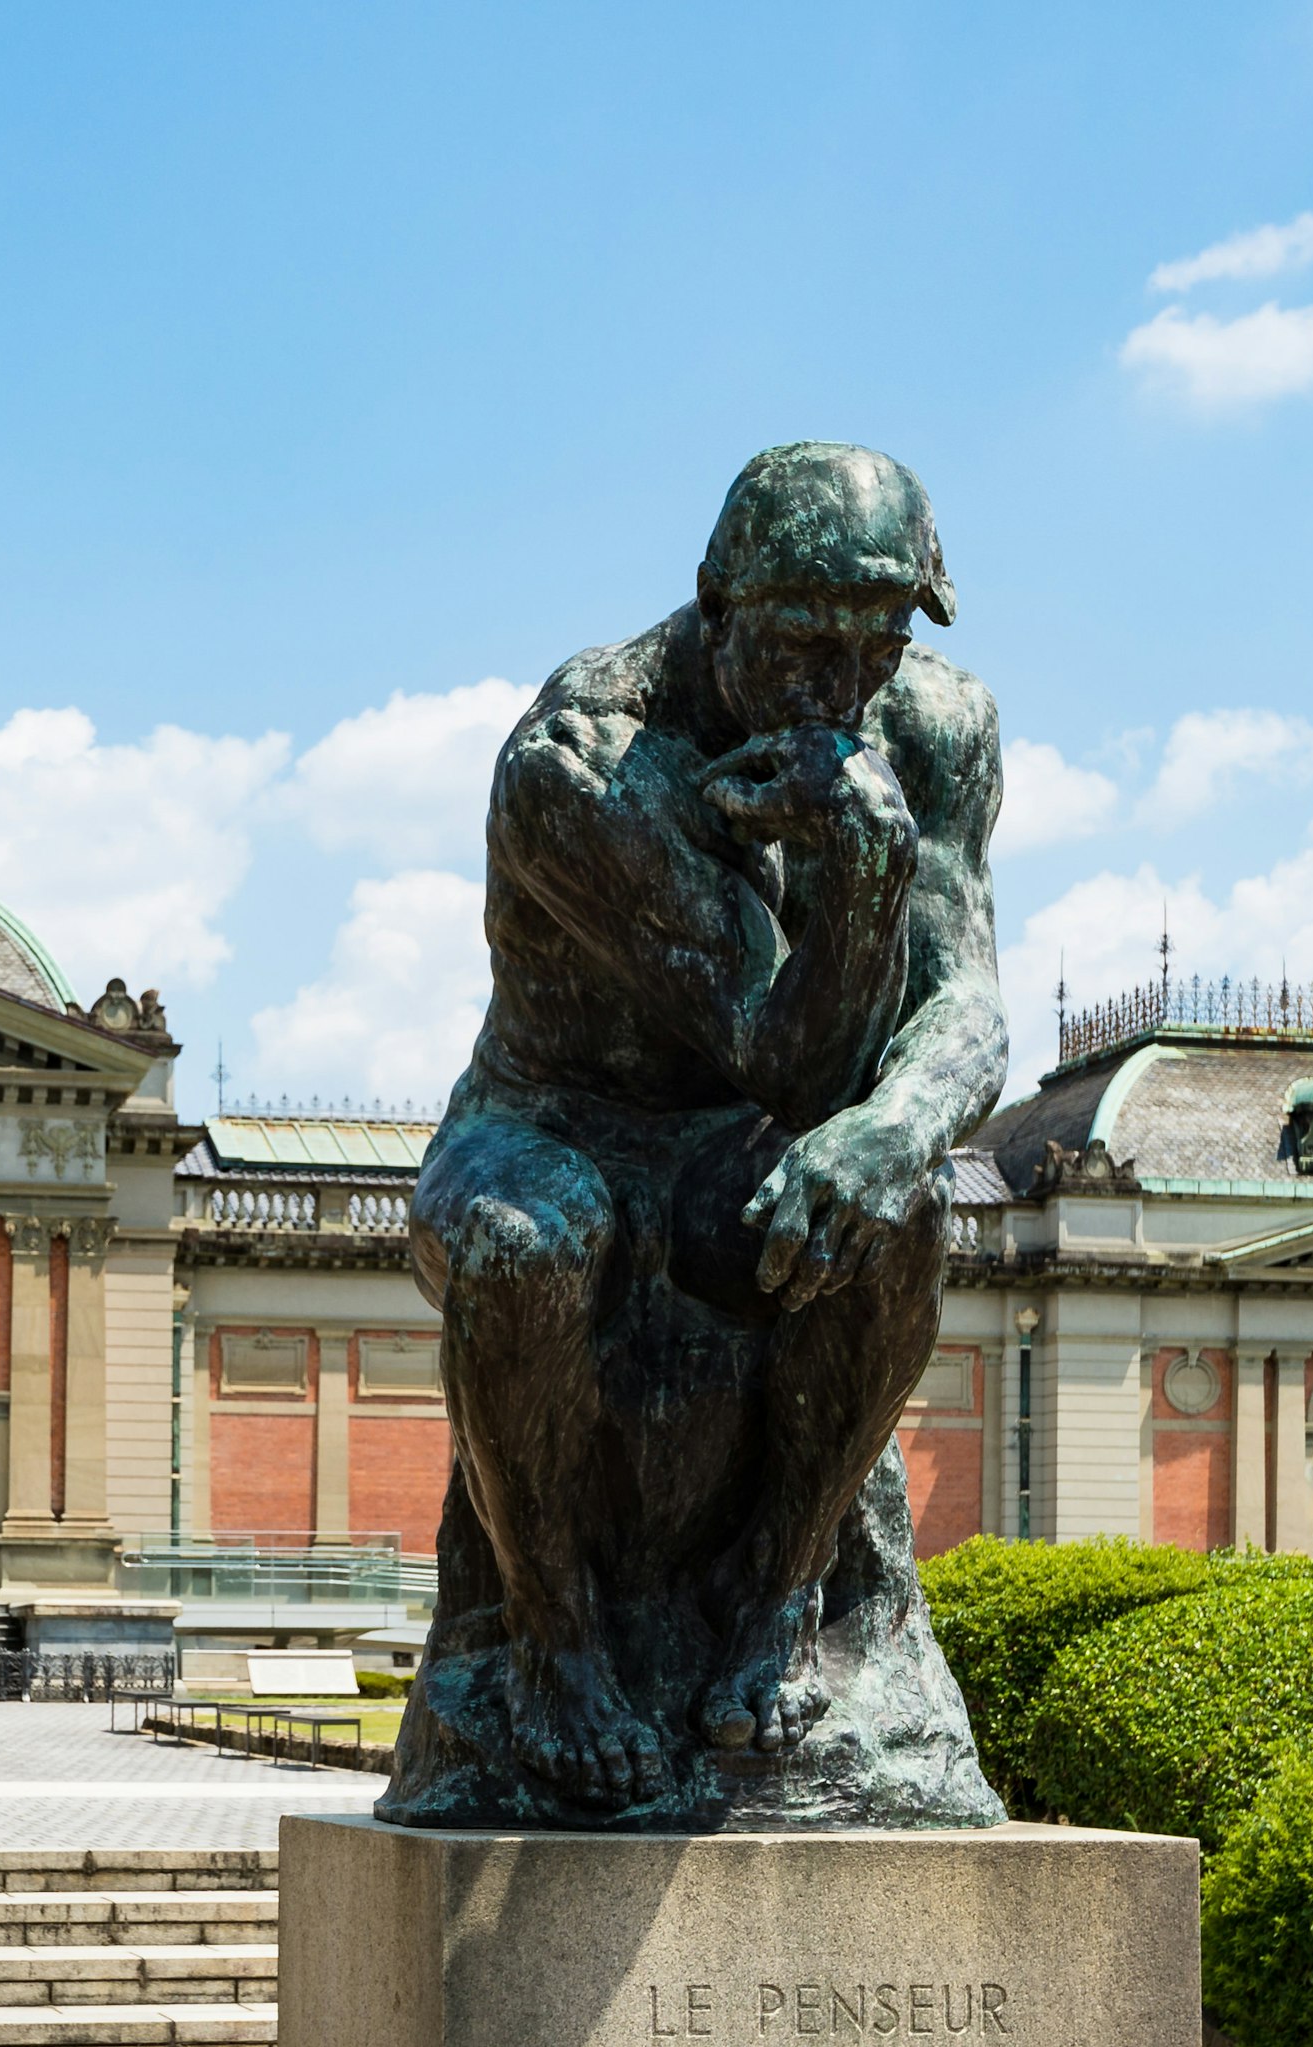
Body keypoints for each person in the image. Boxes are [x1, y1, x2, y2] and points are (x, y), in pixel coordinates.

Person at [382, 443, 1008, 1830]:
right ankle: (552, 1643)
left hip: (738, 1148)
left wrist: (895, 1130)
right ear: (718, 602)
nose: (840, 685)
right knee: (527, 1242)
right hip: (554, 1129)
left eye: (876, 640)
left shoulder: (939, 725)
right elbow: (780, 1047)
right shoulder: (586, 758)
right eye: (800, 640)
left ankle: (785, 1603)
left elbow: (966, 998)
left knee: (900, 1206)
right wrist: (861, 870)